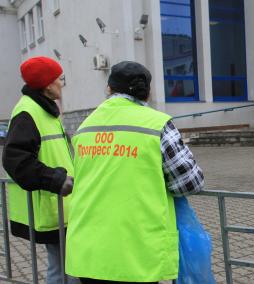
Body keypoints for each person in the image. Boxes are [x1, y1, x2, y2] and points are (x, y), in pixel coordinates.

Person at [66, 61, 204, 283]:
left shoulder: (85, 127)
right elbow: (190, 182)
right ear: (147, 93)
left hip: (88, 252)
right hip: (136, 252)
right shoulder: (156, 123)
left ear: (109, 89)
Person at [2, 57, 78, 284]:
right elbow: (16, 161)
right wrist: (55, 179)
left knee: (64, 265)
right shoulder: (28, 112)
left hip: (60, 206)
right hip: (49, 206)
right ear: (47, 85)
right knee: (63, 269)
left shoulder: (44, 110)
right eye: (59, 79)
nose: (62, 84)